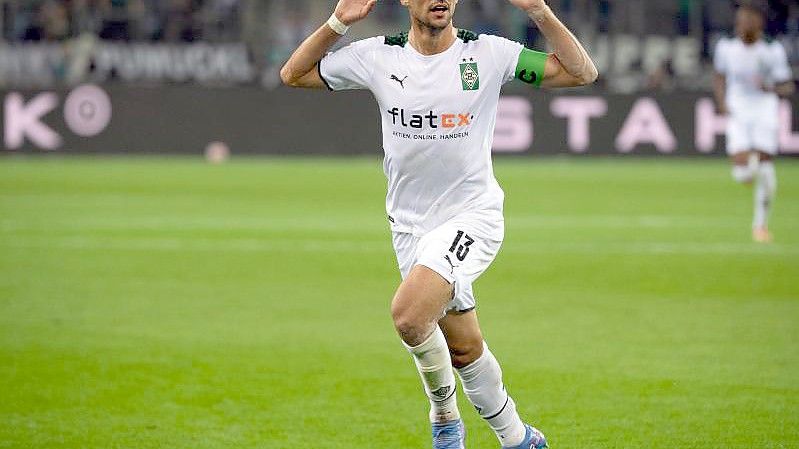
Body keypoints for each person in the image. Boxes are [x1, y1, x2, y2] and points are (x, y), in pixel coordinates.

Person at [280, 1, 597, 448]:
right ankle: (520, 438)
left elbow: (581, 73)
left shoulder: (487, 54)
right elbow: (293, 74)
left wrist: (540, 11)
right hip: (408, 228)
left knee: (409, 316)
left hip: (472, 217)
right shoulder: (379, 56)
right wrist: (339, 22)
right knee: (464, 349)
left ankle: (445, 419)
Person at [713, 3, 794, 243]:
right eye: (741, 19)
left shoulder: (772, 50)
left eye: (749, 18)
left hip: (764, 109)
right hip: (738, 108)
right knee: (743, 171)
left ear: (759, 22)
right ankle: (750, 170)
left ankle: (760, 225)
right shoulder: (726, 46)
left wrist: (771, 88)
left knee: (766, 165)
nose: (743, 23)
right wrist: (722, 102)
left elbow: (787, 85)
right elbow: (719, 76)